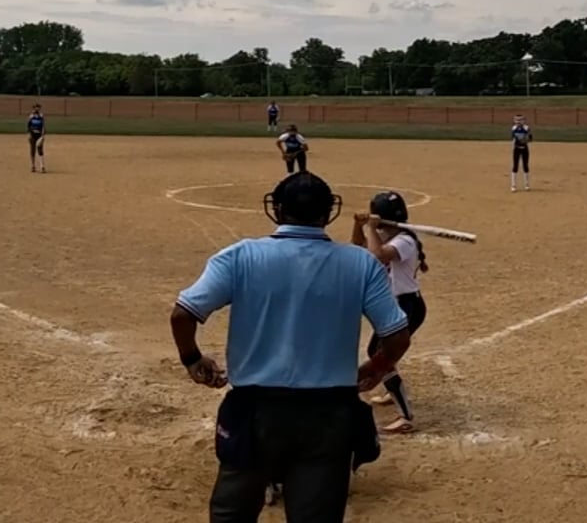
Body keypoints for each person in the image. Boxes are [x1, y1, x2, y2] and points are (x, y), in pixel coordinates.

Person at [170, 171, 411, 523]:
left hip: (254, 411)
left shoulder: (240, 256)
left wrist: (192, 358)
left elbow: (182, 315)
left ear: (278, 210)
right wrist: (376, 368)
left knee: (231, 514)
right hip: (328, 414)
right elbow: (397, 337)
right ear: (328, 212)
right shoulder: (361, 264)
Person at [352, 192, 428, 435]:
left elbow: (377, 256)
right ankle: (391, 387)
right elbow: (358, 248)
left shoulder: (404, 241)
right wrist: (359, 226)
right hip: (395, 304)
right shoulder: (387, 236)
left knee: (380, 355)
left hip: (407, 305)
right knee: (382, 354)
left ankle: (406, 417)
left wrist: (371, 228)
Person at [509, 114, 532, 193]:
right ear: (514, 121)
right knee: (515, 166)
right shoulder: (513, 128)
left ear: (524, 121)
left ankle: (527, 184)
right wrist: (515, 141)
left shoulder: (526, 128)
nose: (518, 121)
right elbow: (512, 138)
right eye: (517, 120)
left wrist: (525, 140)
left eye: (520, 120)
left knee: (525, 166)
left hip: (524, 149)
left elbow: (530, 138)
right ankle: (513, 185)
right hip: (516, 149)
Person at [27, 105, 46, 173]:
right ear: (33, 109)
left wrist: (43, 135)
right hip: (32, 135)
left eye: (38, 108)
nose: (36, 109)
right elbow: (28, 126)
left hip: (39, 135)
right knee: (32, 150)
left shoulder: (41, 116)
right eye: (35, 108)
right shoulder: (31, 116)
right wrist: (29, 134)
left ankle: (42, 166)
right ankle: (33, 166)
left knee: (40, 150)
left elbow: (43, 126)